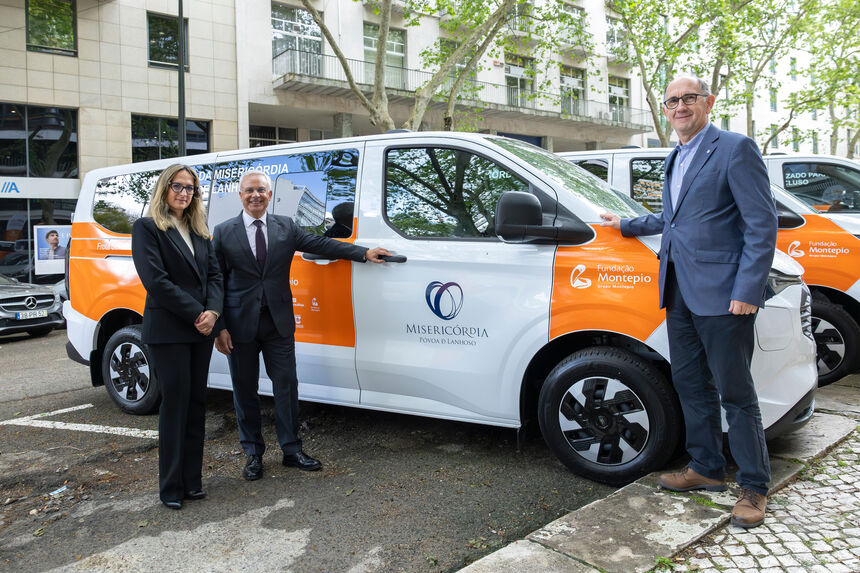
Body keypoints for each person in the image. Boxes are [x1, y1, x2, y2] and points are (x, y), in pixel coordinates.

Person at [600, 74, 777, 529]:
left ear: (708, 102)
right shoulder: (675, 156)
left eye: (688, 98)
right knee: (691, 384)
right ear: (665, 109)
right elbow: (673, 219)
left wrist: (747, 290)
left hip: (723, 295)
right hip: (677, 290)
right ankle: (706, 468)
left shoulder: (735, 148)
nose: (680, 106)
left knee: (736, 394)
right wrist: (626, 224)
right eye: (672, 101)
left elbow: (762, 224)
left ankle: (754, 487)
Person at [213, 171, 391, 481]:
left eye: (261, 190)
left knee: (286, 386)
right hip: (239, 326)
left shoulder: (285, 226)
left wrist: (362, 253)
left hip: (278, 323)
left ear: (270, 195)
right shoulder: (223, 231)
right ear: (240, 195)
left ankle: (292, 450)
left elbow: (321, 244)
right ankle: (253, 454)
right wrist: (220, 326)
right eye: (249, 190)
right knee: (244, 390)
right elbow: (215, 280)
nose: (255, 195)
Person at [131, 164, 223, 510]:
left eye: (190, 188)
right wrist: (198, 313)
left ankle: (192, 482)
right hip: (169, 330)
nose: (184, 193)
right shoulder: (147, 228)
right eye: (178, 186)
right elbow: (156, 281)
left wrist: (213, 312)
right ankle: (171, 486)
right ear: (164, 188)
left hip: (201, 329)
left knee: (197, 403)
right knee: (175, 405)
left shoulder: (199, 230)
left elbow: (215, 276)